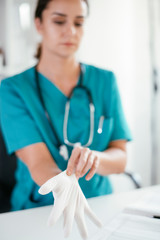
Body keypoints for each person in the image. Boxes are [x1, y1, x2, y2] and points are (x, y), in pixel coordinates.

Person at [0, 0, 132, 211]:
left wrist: (95, 158)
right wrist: (66, 189)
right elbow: (38, 162)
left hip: (99, 204)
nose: (70, 31)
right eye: (59, 21)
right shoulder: (13, 89)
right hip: (38, 208)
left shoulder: (105, 82)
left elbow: (120, 158)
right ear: (39, 24)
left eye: (78, 23)